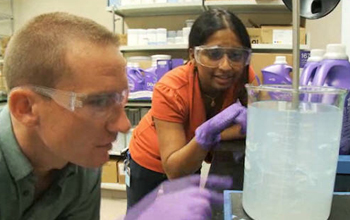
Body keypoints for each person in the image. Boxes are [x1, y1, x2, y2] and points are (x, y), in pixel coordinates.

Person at [0, 12, 234, 220]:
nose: (124, 125)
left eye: (120, 99)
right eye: (99, 102)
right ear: (26, 108)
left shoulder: (81, 161)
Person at [127, 8, 257, 209]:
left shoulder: (244, 77)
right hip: (152, 159)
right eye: (213, 54)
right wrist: (210, 135)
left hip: (192, 153)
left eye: (235, 55)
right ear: (193, 55)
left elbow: (260, 122)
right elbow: (175, 170)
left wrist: (215, 135)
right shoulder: (170, 88)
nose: (225, 66)